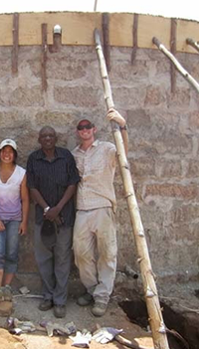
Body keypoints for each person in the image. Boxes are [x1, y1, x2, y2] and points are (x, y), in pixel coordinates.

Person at [72, 108, 128, 317]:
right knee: (81, 253)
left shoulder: (106, 148)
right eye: (81, 128)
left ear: (94, 130)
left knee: (107, 253)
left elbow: (124, 153)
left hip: (103, 206)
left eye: (88, 127)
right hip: (82, 209)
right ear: (78, 132)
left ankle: (102, 296)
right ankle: (91, 289)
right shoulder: (74, 154)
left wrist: (122, 126)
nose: (84, 130)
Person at [26, 126, 80, 318]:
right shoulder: (33, 159)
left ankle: (60, 300)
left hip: (64, 217)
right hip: (43, 218)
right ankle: (47, 296)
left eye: (51, 135)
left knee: (63, 259)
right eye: (44, 136)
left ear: (56, 138)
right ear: (39, 139)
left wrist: (58, 208)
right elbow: (31, 187)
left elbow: (73, 183)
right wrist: (48, 210)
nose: (48, 138)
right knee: (43, 259)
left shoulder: (66, 157)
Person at [0, 139, 29, 304]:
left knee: (11, 253)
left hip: (15, 219)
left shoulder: (21, 173)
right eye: (4, 151)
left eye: (10, 151)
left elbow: (25, 199)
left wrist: (24, 222)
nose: (7, 154)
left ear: (15, 155)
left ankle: (7, 287)